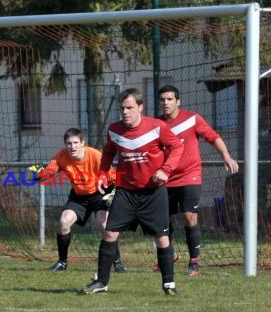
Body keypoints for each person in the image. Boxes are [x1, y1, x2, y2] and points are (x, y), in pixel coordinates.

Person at [80, 88, 184, 295]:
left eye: (130, 107)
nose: (125, 112)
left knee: (161, 238)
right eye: (122, 108)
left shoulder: (157, 127)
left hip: (153, 193)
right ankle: (101, 282)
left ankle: (169, 285)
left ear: (140, 107)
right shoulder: (114, 130)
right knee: (109, 233)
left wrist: (165, 170)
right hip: (126, 192)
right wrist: (102, 175)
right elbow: (108, 152)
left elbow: (177, 147)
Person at [158, 85, 239, 276]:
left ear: (178, 101)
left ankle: (194, 261)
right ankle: (169, 255)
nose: (165, 102)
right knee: (162, 220)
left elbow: (213, 137)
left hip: (190, 175)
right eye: (162, 99)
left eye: (170, 99)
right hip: (165, 178)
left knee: (189, 216)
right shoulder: (157, 124)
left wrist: (226, 156)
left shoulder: (192, 119)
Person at [37, 128, 126, 273]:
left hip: (100, 193)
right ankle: (62, 262)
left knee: (105, 224)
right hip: (79, 196)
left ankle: (117, 262)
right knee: (64, 221)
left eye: (75, 142)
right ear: (65, 145)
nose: (72, 146)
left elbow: (112, 176)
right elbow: (50, 169)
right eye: (69, 143)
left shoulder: (95, 155)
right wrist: (42, 174)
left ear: (82, 143)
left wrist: (113, 191)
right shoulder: (62, 156)